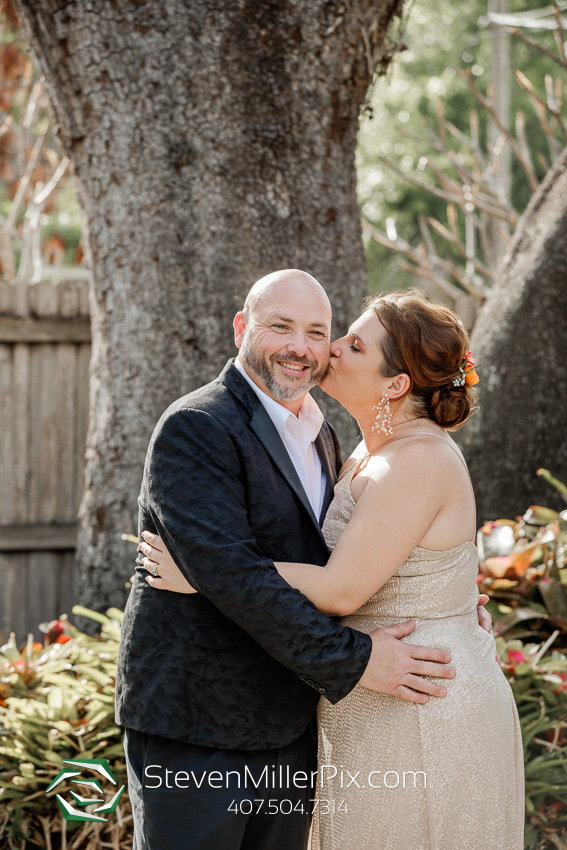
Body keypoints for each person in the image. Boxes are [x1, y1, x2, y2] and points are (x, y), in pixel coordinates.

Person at [142, 286, 523, 850]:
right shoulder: (344, 447)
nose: (330, 350)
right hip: (329, 699)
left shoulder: (409, 456)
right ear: (242, 325)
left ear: (396, 385)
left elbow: (341, 587)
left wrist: (204, 571)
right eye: (337, 335)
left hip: (419, 698)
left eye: (349, 343)